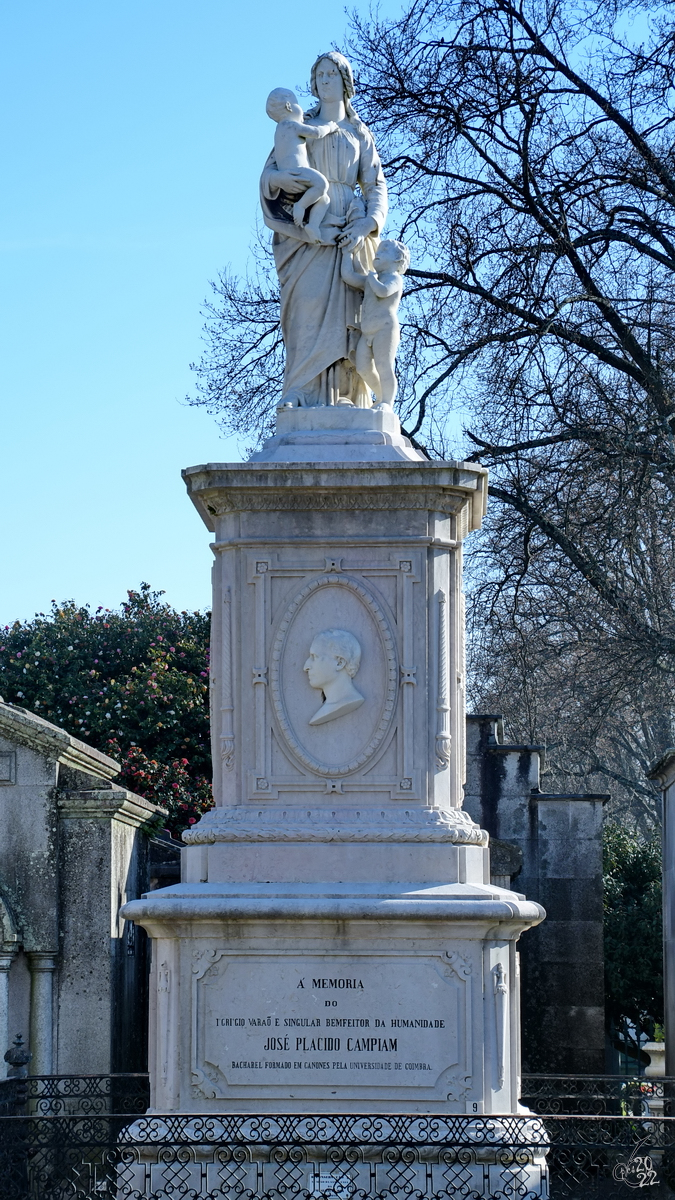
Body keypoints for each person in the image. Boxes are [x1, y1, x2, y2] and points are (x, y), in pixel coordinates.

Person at [260, 53, 388, 406]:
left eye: (333, 73)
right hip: (308, 235)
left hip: (350, 228)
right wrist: (279, 180)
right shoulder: (298, 122)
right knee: (306, 306)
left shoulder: (359, 133)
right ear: (313, 84)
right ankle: (300, 391)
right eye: (320, 74)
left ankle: (348, 396)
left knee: (353, 318)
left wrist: (368, 223)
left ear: (345, 80)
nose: (326, 79)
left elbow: (375, 186)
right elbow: (271, 173)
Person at [341, 239, 410, 408]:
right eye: (378, 250)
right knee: (363, 367)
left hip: (385, 328)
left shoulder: (394, 279)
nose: (377, 253)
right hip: (367, 332)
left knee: (384, 365)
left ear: (397, 260)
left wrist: (371, 278)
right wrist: (347, 253)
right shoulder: (371, 279)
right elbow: (348, 276)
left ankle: (388, 401)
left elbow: (383, 291)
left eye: (384, 250)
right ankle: (380, 396)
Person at [265, 88, 338, 244]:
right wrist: (330, 127)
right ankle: (301, 206)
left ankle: (313, 225)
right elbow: (317, 133)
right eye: (297, 104)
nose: (302, 109)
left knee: (324, 200)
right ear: (289, 107)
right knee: (322, 184)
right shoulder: (292, 126)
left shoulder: (280, 130)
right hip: (298, 174)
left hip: (291, 179)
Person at [303, 630, 364, 726]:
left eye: (314, 657)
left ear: (340, 663)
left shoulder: (350, 702)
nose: (306, 667)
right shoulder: (325, 710)